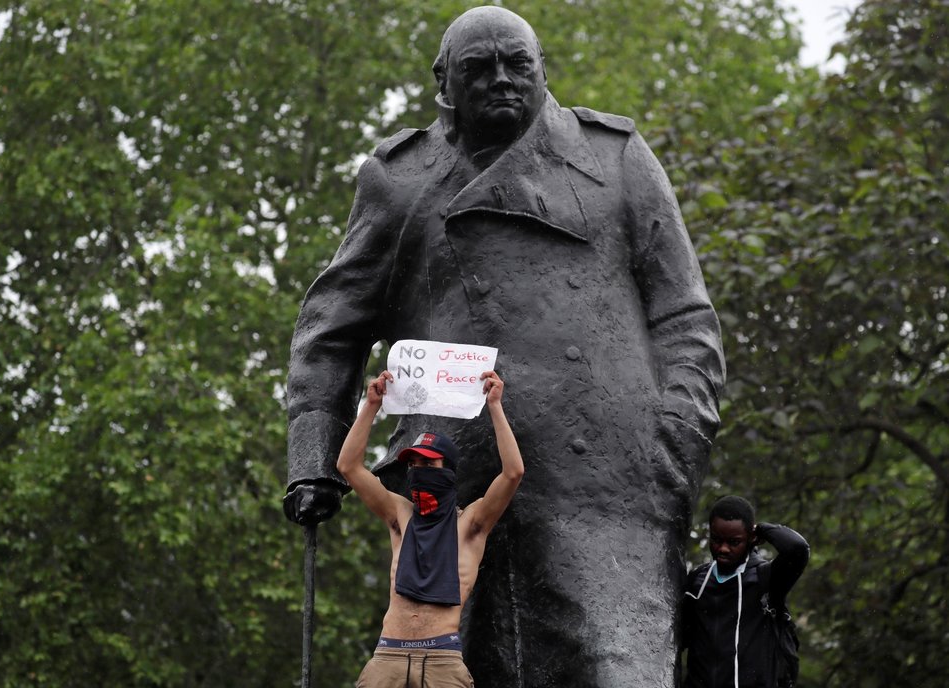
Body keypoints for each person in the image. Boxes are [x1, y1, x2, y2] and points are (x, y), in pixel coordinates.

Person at [284, 6, 725, 686]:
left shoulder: (614, 159)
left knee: (617, 671)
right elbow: (332, 325)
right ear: (443, 81)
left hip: (609, 485)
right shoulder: (400, 181)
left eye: (518, 65)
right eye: (479, 68)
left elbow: (684, 315)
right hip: (453, 497)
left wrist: (675, 443)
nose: (502, 80)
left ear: (542, 68)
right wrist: (313, 459)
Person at [336, 369, 523, 687]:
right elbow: (349, 467)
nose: (418, 471)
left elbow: (513, 473)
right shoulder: (400, 515)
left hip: (442, 659)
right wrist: (370, 405)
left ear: (448, 471)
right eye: (413, 464)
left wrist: (494, 406)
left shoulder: (471, 526)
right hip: (388, 658)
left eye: (428, 464)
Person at [682, 496, 811, 688]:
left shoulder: (765, 579)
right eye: (716, 539)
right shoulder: (697, 580)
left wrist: (762, 529)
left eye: (734, 542)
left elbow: (797, 549)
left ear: (751, 539)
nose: (723, 548)